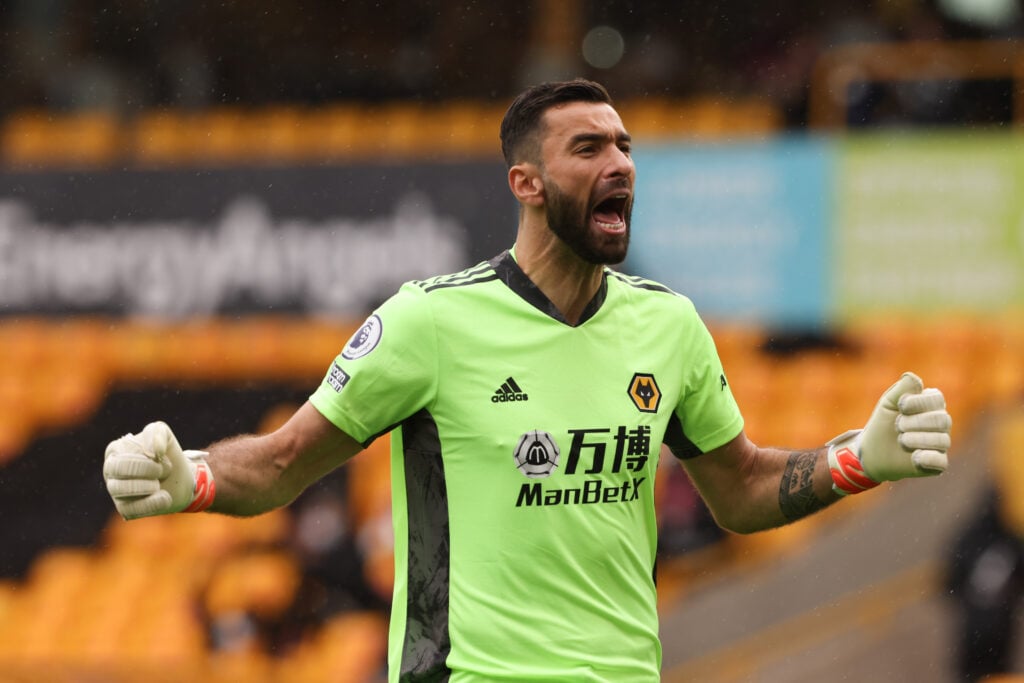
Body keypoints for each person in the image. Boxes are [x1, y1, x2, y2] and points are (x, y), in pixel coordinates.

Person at [103, 79, 953, 682]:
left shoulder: (670, 326)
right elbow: (287, 461)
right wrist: (198, 476)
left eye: (625, 145)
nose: (619, 162)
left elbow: (741, 490)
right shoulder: (430, 323)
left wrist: (855, 459)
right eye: (589, 147)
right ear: (528, 184)